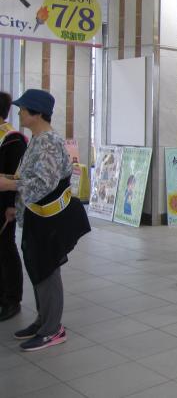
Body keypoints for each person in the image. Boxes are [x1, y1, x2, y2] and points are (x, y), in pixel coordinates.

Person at [0, 89, 90, 351]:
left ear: (37, 113)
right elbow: (30, 177)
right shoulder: (37, 139)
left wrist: (8, 185)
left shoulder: (48, 142)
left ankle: (53, 328)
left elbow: (44, 183)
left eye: (24, 109)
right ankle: (43, 320)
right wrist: (13, 183)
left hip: (49, 218)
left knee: (47, 271)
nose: (19, 113)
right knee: (37, 268)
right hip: (37, 217)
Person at [0, 92, 27, 322]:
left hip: (3, 204)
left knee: (6, 248)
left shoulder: (13, 138)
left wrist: (10, 206)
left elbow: (15, 176)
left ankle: (12, 299)